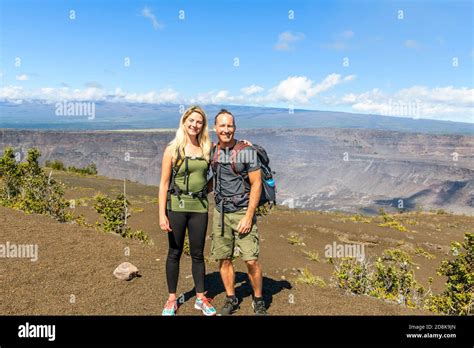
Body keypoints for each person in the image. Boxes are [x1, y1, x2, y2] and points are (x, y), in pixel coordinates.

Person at [158, 106, 216, 316]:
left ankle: (200, 298)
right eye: (191, 120)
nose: (194, 125)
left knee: (198, 254)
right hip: (176, 207)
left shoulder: (208, 148)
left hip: (199, 207)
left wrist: (244, 145)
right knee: (174, 253)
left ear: (203, 125)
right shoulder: (172, 149)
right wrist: (161, 214)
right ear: (184, 122)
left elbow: (220, 170)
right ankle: (172, 299)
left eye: (199, 122)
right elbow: (164, 184)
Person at [210, 109, 267, 315]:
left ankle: (258, 299)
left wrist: (249, 216)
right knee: (224, 259)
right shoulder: (212, 151)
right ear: (215, 128)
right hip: (221, 212)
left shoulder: (246, 152)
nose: (226, 130)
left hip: (243, 211)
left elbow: (256, 184)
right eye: (222, 126)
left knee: (251, 259)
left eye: (230, 126)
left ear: (235, 127)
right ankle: (231, 298)